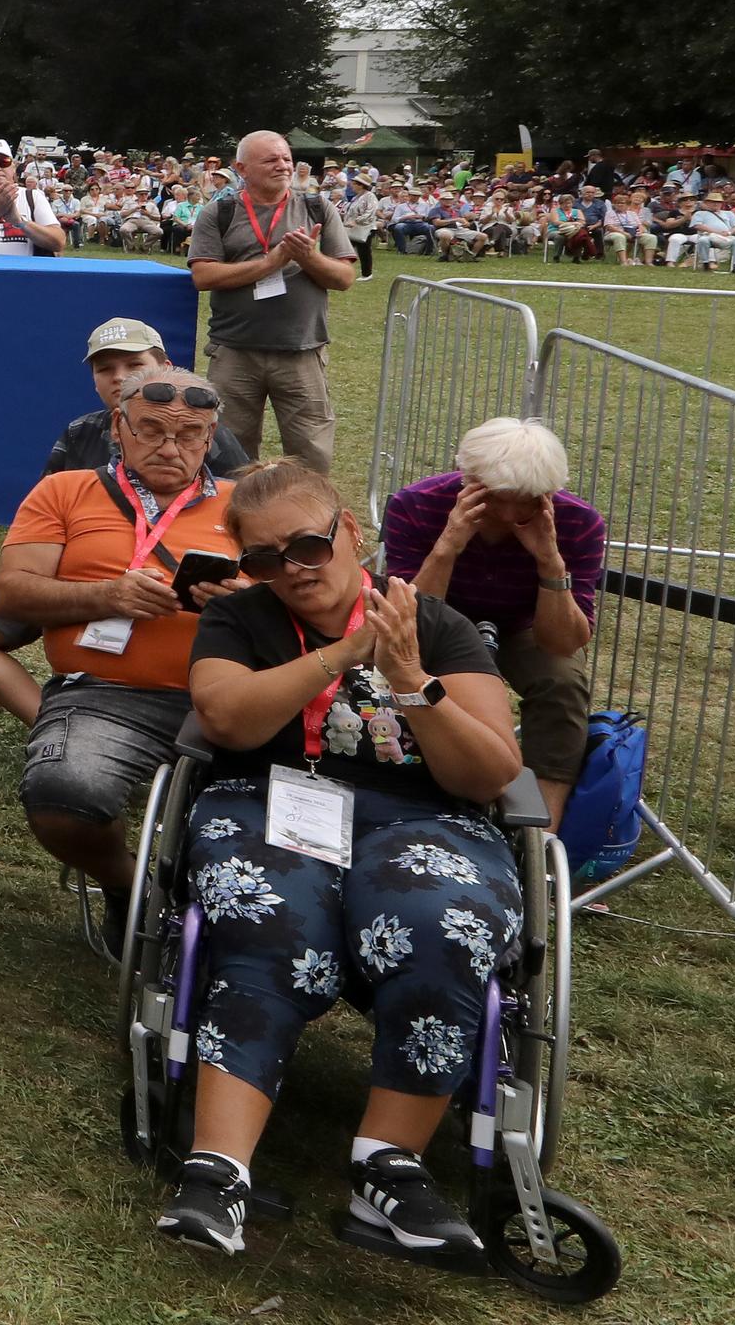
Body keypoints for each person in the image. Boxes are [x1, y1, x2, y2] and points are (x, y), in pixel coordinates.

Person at [159, 459, 524, 1265]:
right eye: (262, 559)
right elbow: (223, 718)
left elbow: (490, 772)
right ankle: (216, 1169)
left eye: (307, 547)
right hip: (273, 797)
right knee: (266, 920)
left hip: (425, 814)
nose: (289, 570)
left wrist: (408, 680)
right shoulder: (241, 621)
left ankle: (387, 1168)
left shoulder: (437, 624)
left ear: (349, 534)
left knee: (441, 924)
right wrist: (343, 652)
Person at [0, 367, 247, 915]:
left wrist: (242, 603)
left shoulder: (247, 503)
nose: (169, 447)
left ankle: (218, 916)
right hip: (104, 693)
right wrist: (107, 597)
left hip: (233, 694)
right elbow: (11, 594)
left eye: (189, 435)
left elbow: (308, 599)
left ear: (211, 436)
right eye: (151, 430)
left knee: (267, 819)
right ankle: (130, 889)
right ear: (118, 426)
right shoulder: (65, 490)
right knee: (63, 797)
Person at [0, 317, 248, 722]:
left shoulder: (205, 434)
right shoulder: (81, 431)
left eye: (133, 366)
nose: (119, 378)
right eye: (105, 369)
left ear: (166, 368)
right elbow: (40, 532)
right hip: (72, 578)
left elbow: (247, 516)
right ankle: (48, 717)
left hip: (162, 595)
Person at [380, 416, 604, 816]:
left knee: (562, 681)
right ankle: (414, 787)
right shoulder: (414, 504)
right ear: (466, 478)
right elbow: (410, 617)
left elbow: (563, 643)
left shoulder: (580, 523)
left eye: (528, 499)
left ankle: (542, 827)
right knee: (400, 670)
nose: (510, 512)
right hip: (441, 619)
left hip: (525, 623)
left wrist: (550, 561)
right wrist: (448, 545)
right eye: (496, 496)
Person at [187, 130, 355, 473]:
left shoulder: (316, 206)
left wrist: (308, 257)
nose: (282, 166)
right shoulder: (218, 212)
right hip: (234, 351)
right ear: (242, 168)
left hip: (302, 351)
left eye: (286, 159)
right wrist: (270, 263)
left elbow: (344, 278)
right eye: (271, 160)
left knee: (310, 451)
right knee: (229, 451)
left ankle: (306, 520)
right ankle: (230, 518)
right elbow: (203, 277)